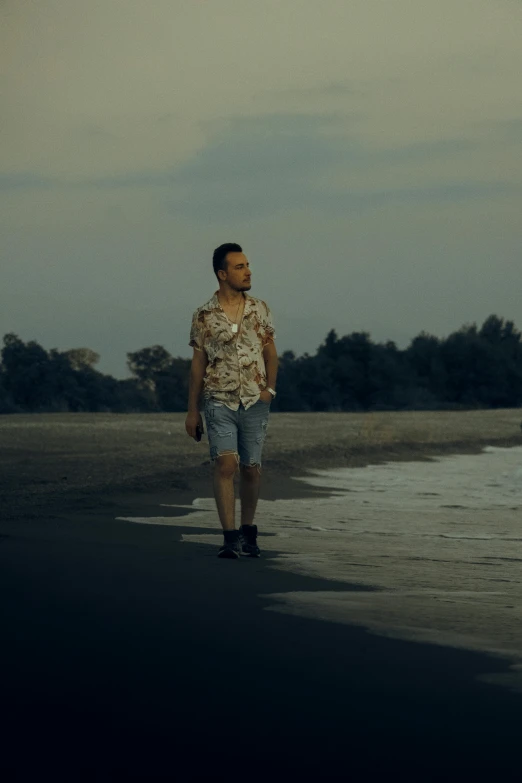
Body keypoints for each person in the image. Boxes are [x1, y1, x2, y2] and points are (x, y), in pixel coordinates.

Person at [185, 243, 278, 559]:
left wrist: (270, 391)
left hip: (255, 400)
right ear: (222, 274)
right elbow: (198, 364)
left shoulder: (260, 309)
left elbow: (270, 352)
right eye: (240, 267)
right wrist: (192, 411)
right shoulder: (204, 315)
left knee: (251, 468)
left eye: (248, 265)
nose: (248, 271)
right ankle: (229, 537)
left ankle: (249, 530)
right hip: (217, 399)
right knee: (226, 464)